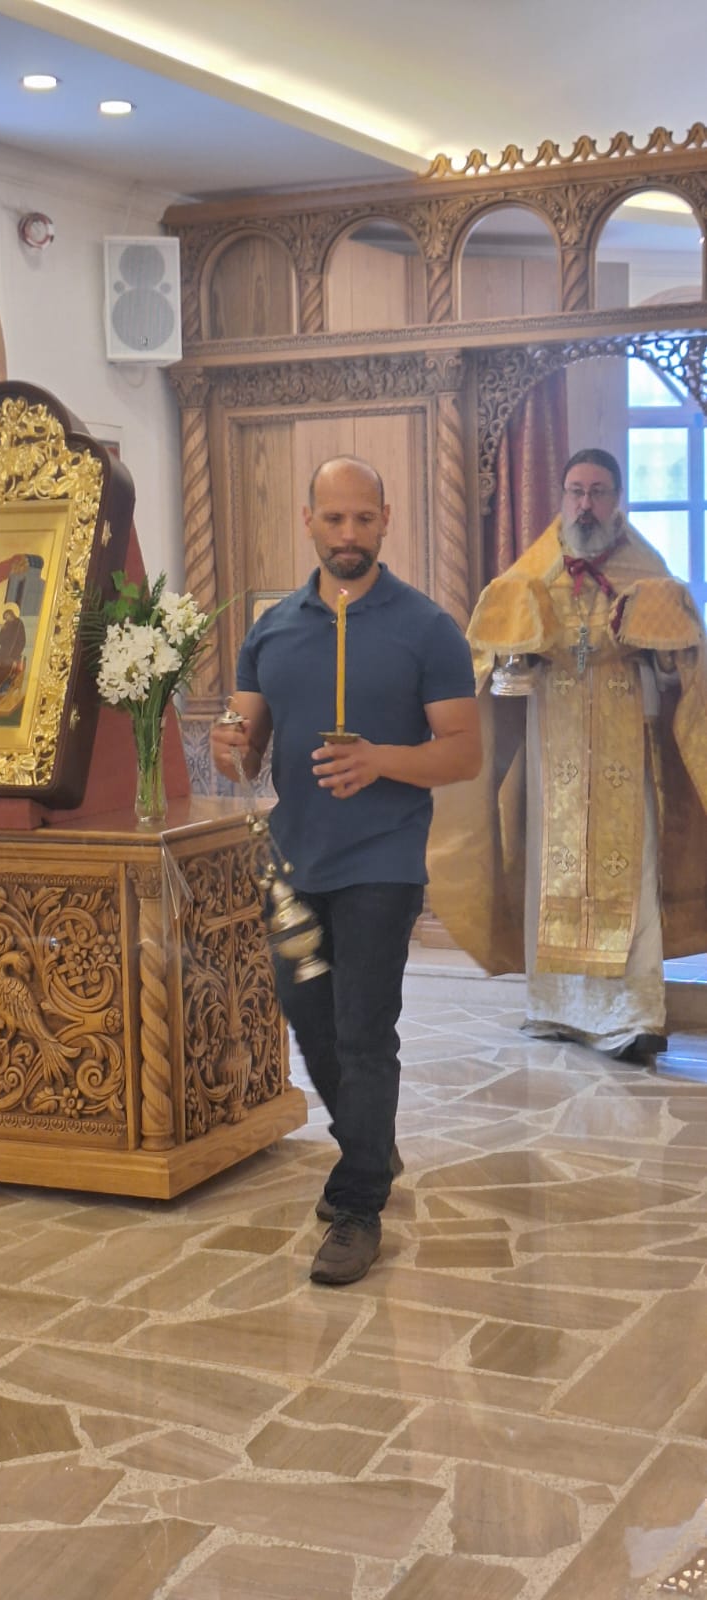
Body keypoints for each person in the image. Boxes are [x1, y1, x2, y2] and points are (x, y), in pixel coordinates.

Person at [211, 455, 480, 1285]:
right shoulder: (271, 630)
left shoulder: (428, 628)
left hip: (382, 862)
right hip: (291, 863)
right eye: (334, 518)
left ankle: (358, 1204)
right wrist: (226, 748)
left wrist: (380, 761)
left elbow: (464, 753)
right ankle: (369, 1142)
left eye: (364, 517)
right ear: (309, 522)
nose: (349, 533)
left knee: (365, 1030)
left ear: (386, 520)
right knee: (309, 1016)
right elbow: (245, 751)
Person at [428, 447, 707, 1063]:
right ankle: (556, 1009)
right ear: (560, 498)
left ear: (617, 500)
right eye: (576, 491)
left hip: (625, 749)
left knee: (632, 873)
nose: (586, 504)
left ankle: (632, 1017)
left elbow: (683, 663)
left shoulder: (645, 570)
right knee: (550, 869)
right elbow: (490, 657)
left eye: (599, 492)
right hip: (552, 748)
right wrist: (517, 652)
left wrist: (659, 647)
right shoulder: (532, 572)